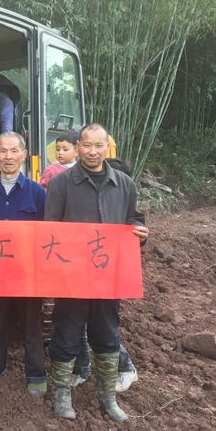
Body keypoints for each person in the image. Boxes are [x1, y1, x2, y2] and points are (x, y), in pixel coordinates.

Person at [44, 124, 149, 423]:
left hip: (109, 276)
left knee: (106, 333)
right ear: (78, 146)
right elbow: (50, 229)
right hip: (72, 276)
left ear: (107, 147)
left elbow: (134, 220)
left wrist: (140, 233)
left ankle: (107, 397)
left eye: (98, 145)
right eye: (87, 145)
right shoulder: (61, 183)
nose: (92, 151)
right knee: (66, 333)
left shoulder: (124, 184)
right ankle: (62, 395)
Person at [0, 132, 48, 397]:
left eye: (14, 151)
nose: (8, 156)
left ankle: (36, 373)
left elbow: (47, 236)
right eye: (3, 151)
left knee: (31, 325)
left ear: (24, 155)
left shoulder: (37, 193)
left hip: (26, 274)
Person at [69, 157, 139, 392]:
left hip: (105, 270)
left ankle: (125, 367)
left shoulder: (120, 195)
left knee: (102, 327)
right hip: (78, 266)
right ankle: (82, 367)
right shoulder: (70, 187)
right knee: (78, 325)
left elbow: (133, 226)